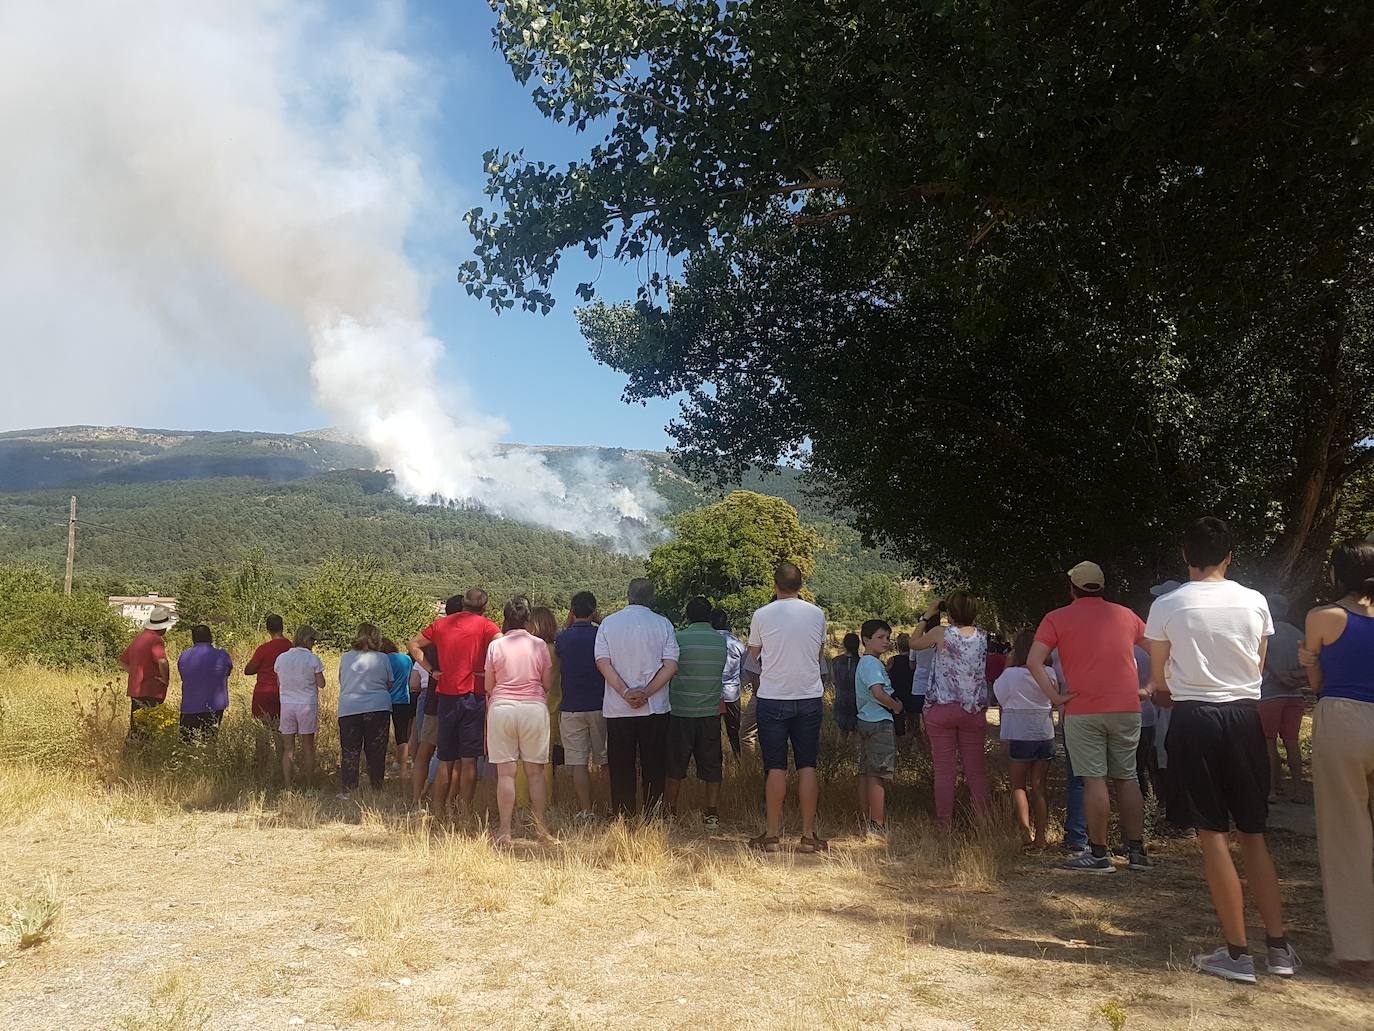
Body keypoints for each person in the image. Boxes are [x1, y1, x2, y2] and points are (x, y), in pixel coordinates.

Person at [1145, 517, 1297, 984]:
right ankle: (1278, 949)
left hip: (1194, 719)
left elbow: (1159, 681)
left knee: (1212, 833)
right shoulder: (1255, 602)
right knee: (1253, 832)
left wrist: (1167, 692)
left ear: (1185, 555)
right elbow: (1258, 665)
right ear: (1230, 556)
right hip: (1245, 718)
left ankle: (1236, 953)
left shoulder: (1167, 605)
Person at [1028, 561, 1151, 872]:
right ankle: (1137, 852)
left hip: (1083, 709)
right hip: (1126, 707)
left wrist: (1055, 697)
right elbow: (1160, 648)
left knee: (1093, 779)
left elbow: (1033, 661)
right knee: (1128, 777)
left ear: (1072, 589)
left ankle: (1098, 853)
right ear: (1102, 587)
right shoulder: (1125, 615)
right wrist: (1151, 686)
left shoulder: (1056, 618)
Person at [1301, 538, 1374, 981]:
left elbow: (1317, 679)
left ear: (1338, 573)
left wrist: (1308, 661)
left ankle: (1356, 952)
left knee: (1346, 835)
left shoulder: (1324, 616)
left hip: (1343, 717)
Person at [748, 562, 828, 852]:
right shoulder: (817, 614)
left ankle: (771, 834)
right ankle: (808, 835)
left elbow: (754, 655)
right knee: (807, 765)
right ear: (801, 584)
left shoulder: (762, 614)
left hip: (773, 697)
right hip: (808, 696)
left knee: (776, 767)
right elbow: (818, 653)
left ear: (775, 585)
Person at [409, 589, 501, 817]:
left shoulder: (442, 625)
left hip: (446, 696)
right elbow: (502, 646)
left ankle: (438, 808)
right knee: (469, 758)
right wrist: (489, 672)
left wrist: (432, 670)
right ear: (484, 607)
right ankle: (465, 810)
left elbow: (413, 644)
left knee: (445, 757)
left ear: (463, 604)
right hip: (474, 696)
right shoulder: (487, 626)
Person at [595, 578, 680, 817]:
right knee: (654, 764)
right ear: (651, 597)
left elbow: (602, 661)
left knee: (621, 766)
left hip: (618, 707)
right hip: (655, 707)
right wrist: (647, 693)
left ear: (628, 595)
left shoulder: (609, 624)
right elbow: (671, 665)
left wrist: (624, 691)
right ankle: (653, 814)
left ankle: (623, 815)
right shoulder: (663, 624)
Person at [912, 593, 990, 827]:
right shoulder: (983, 636)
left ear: (950, 612)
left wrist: (927, 614)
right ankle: (985, 821)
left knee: (944, 770)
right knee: (975, 770)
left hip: (942, 707)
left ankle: (944, 821)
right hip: (972, 709)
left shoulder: (941, 633)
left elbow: (914, 642)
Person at [484, 597, 555, 845]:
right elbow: (547, 684)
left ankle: (504, 830)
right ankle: (541, 829)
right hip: (533, 708)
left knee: (506, 774)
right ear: (528, 619)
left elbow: (488, 685)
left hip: (502, 708)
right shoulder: (540, 646)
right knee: (535, 773)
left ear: (506, 619)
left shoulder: (496, 646)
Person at [665, 596, 728, 826]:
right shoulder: (720, 642)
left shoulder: (678, 639)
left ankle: (670, 811)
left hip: (680, 710)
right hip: (710, 711)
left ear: (688, 615)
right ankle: (711, 812)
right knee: (712, 764)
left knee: (674, 764)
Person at [994, 630, 1057, 850]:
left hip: (1020, 734)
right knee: (1039, 786)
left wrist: (1007, 665)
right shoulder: (1049, 672)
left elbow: (999, 695)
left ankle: (1025, 835)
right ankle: (1041, 837)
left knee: (1018, 786)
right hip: (1044, 732)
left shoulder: (1011, 675)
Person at [557, 592, 607, 820]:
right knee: (605, 760)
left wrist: (570, 621)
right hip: (601, 705)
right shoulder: (602, 636)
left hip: (571, 706)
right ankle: (610, 806)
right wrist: (601, 619)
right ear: (594, 611)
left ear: (571, 611)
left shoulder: (562, 638)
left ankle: (586, 811)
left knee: (578, 762)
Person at [855, 619, 901, 837]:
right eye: (880, 638)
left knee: (866, 772)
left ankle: (866, 819)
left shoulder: (865, 663)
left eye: (888, 638)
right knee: (877, 774)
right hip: (879, 722)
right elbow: (878, 693)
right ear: (866, 640)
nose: (886, 642)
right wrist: (896, 706)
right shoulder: (872, 664)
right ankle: (877, 823)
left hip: (865, 719)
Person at [1259, 596, 1307, 801]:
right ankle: (1297, 790)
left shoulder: (1265, 634)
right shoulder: (1298, 633)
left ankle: (1271, 789)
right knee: (1292, 742)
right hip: (1295, 695)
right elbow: (1310, 664)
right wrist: (1294, 678)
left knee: (1268, 742)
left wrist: (1279, 676)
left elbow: (1262, 661)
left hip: (1270, 694)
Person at [337, 623, 394, 798]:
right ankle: (376, 787)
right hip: (378, 707)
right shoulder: (382, 658)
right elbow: (389, 682)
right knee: (376, 749)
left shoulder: (346, 657)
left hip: (350, 707)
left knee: (350, 749)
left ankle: (349, 788)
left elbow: (341, 680)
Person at [274, 624, 325, 789]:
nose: (314, 644)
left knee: (288, 748)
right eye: (313, 640)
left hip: (287, 705)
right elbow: (321, 684)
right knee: (308, 747)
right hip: (306, 705)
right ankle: (309, 786)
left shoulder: (281, 658)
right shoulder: (312, 659)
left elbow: (279, 682)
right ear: (307, 639)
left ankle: (288, 786)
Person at [244, 614, 292, 773]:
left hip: (263, 694)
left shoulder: (263, 649)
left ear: (268, 629)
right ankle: (283, 766)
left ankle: (260, 768)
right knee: (282, 732)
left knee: (262, 734)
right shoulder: (291, 647)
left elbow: (248, 670)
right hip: (284, 693)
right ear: (282, 626)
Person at [120, 604, 173, 738]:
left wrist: (134, 674)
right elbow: (162, 661)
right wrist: (165, 679)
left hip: (136, 690)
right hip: (151, 690)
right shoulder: (156, 640)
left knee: (136, 728)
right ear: (162, 627)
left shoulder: (139, 638)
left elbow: (122, 661)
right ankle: (145, 757)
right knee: (149, 729)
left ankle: (130, 755)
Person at [177, 624, 232, 742]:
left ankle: (187, 760)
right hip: (215, 706)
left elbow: (183, 677)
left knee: (186, 743)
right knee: (210, 741)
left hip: (190, 705)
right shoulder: (222, 655)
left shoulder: (184, 656)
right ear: (210, 638)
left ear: (193, 639)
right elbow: (227, 673)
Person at [409, 642, 443, 808]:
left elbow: (413, 684)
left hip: (430, 700)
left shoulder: (431, 645)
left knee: (424, 749)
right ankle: (438, 798)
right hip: (456, 699)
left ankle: (417, 798)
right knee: (447, 754)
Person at [712, 608, 746, 758]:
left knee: (713, 731)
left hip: (713, 694)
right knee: (734, 729)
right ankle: (737, 757)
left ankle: (717, 760)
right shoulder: (737, 643)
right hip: (731, 693)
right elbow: (744, 669)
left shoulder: (709, 642)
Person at [381, 639, 415, 773]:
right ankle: (403, 766)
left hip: (385, 701)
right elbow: (411, 679)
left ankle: (380, 765)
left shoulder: (383, 659)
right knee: (402, 735)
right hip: (403, 700)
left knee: (381, 735)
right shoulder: (406, 659)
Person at [830, 632, 861, 748]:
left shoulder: (835, 661)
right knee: (857, 731)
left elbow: (834, 680)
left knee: (842, 732)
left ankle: (840, 757)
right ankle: (855, 759)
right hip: (856, 700)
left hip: (841, 699)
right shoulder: (861, 662)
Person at [887, 633, 915, 748]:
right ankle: (908, 747)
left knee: (898, 725)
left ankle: (899, 748)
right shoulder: (913, 661)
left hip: (897, 695)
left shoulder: (892, 660)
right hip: (911, 694)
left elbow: (887, 676)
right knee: (912, 724)